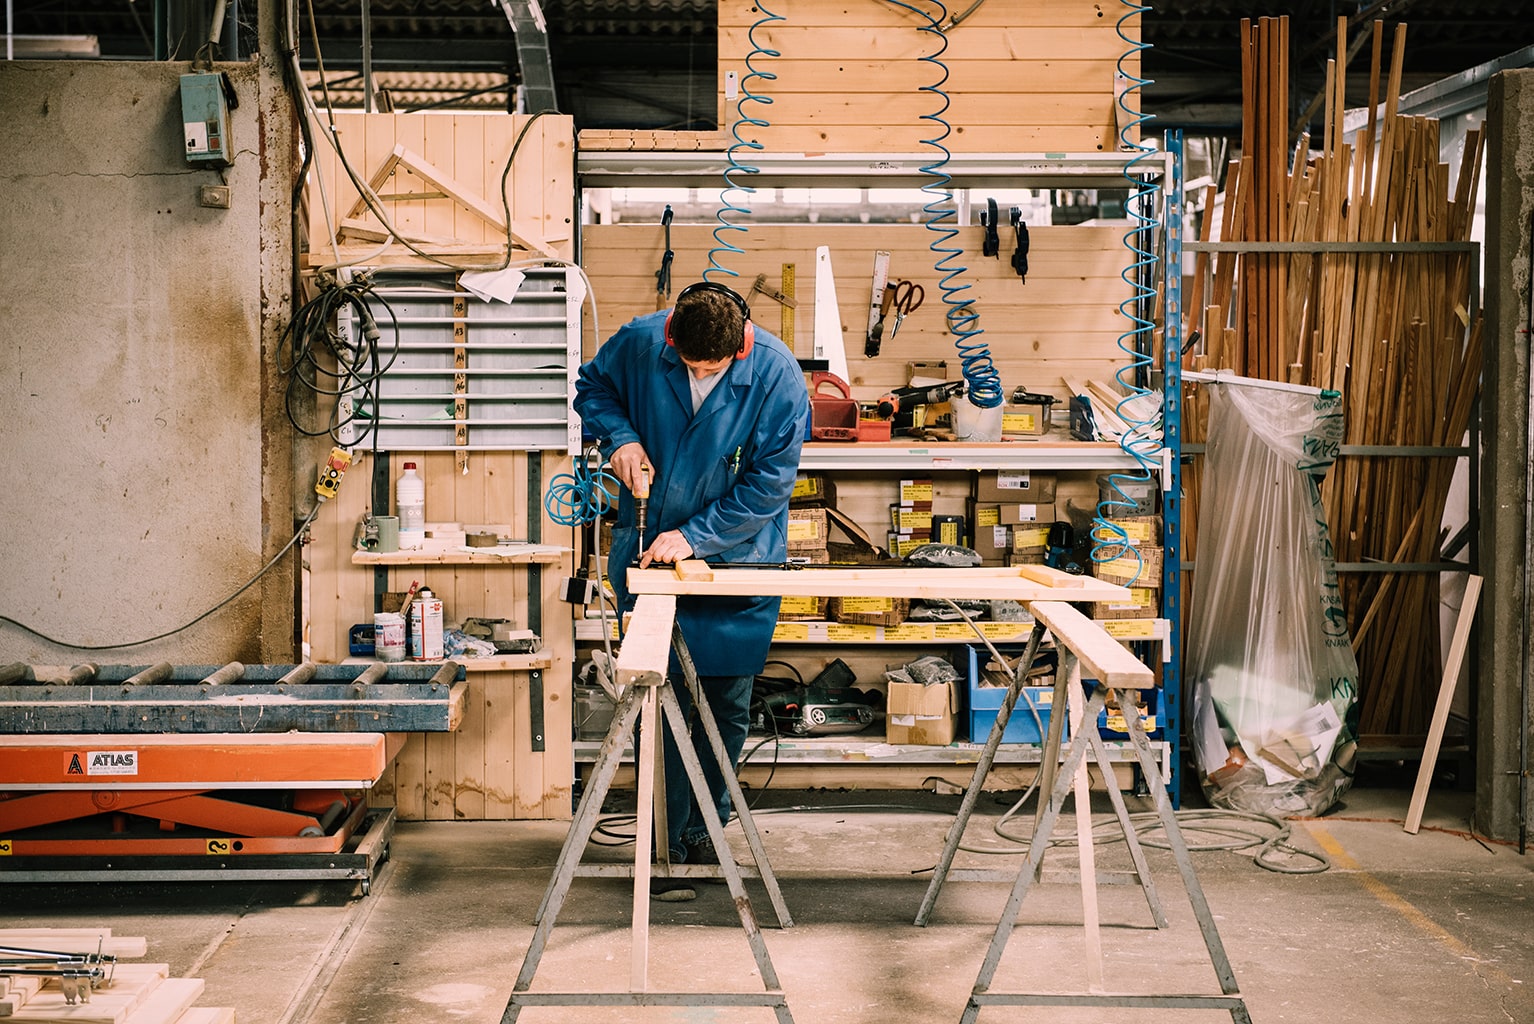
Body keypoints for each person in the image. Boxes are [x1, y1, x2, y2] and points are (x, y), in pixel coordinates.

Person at [574, 280, 809, 902]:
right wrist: (621, 438)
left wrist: (695, 537)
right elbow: (591, 387)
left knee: (724, 704)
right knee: (658, 701)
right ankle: (663, 842)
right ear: (670, 337)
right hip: (647, 549)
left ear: (742, 344)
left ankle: (704, 830)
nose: (698, 374)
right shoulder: (639, 342)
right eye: (688, 363)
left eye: (712, 367)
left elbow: (768, 485)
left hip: (736, 559)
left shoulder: (779, 377)